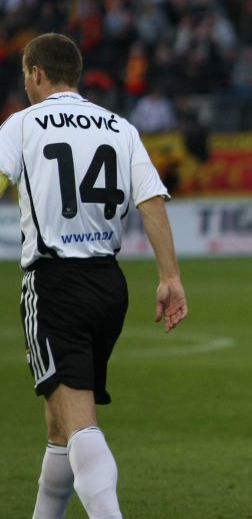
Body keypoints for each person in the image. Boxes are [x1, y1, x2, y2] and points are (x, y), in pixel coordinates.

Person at [0, 33, 188, 519]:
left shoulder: (22, 125)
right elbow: (152, 204)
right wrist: (170, 277)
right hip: (108, 284)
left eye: (25, 75)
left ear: (37, 72)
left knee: (79, 422)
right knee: (59, 423)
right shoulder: (119, 127)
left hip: (54, 283)